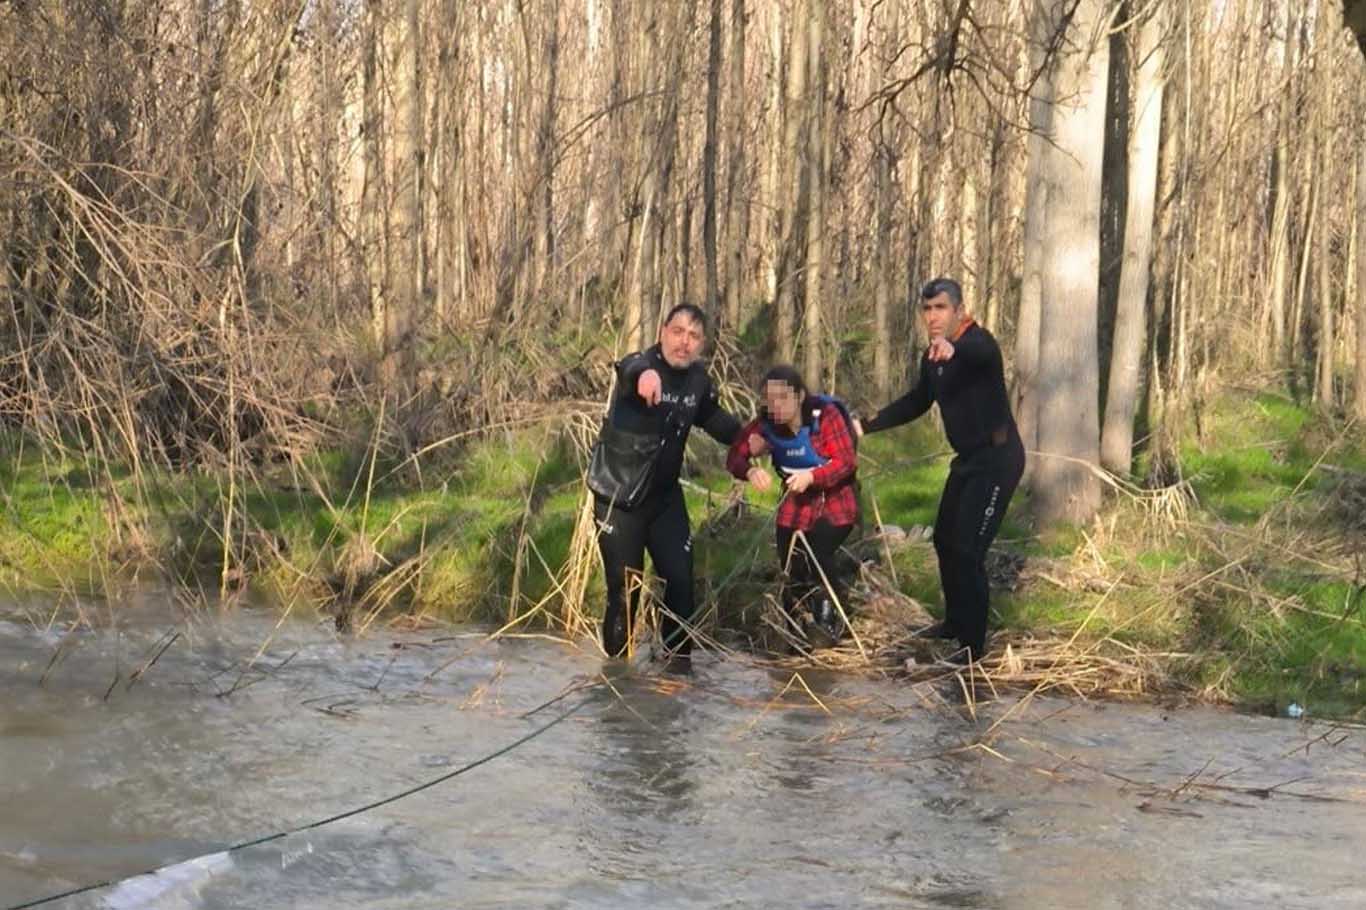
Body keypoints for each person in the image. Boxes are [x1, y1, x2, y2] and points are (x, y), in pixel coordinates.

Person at [855, 277, 1025, 663]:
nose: (932, 316)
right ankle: (954, 623)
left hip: (998, 461)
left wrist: (954, 348)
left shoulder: (979, 343)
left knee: (969, 552)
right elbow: (917, 401)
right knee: (945, 541)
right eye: (927, 309)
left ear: (960, 310)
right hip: (967, 461)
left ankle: (973, 649)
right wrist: (866, 424)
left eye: (941, 308)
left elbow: (976, 355)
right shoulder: (932, 358)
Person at [590, 304, 742, 662]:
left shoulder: (697, 381)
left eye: (694, 336)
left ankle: (677, 676)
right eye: (678, 332)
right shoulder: (641, 366)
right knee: (625, 592)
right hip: (620, 499)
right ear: (662, 332)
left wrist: (751, 438)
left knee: (682, 584)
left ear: (701, 344)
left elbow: (711, 416)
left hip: (664, 501)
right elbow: (629, 367)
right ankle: (618, 679)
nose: (684, 342)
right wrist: (644, 376)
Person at [727, 365, 859, 647]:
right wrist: (750, 471)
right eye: (769, 398)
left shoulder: (824, 416)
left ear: (799, 396)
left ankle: (827, 622)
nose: (776, 405)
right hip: (793, 508)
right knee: (791, 565)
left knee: (818, 553)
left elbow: (847, 462)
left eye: (783, 397)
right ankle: (795, 632)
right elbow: (734, 457)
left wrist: (812, 476)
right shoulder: (764, 425)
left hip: (835, 503)